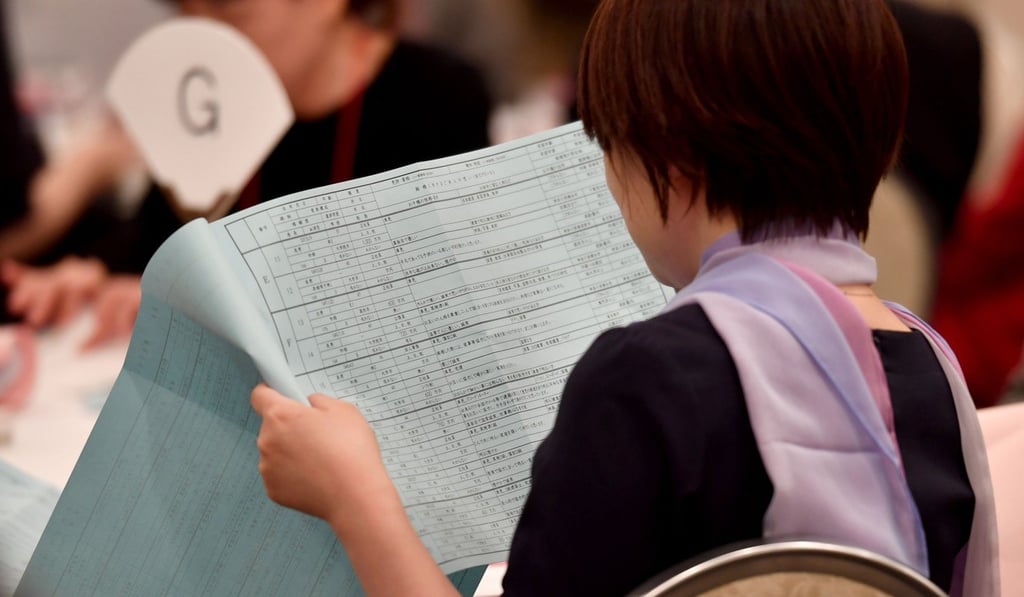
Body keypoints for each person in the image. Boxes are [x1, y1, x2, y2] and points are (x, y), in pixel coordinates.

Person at [249, 1, 998, 596]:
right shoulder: (932, 369)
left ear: (670, 155)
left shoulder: (646, 381)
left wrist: (354, 498)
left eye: (611, 147)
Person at [2, 0, 491, 345]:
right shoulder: (206, 106)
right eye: (185, 10)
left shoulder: (440, 99)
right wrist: (96, 274)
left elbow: (443, 304)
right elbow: (158, 241)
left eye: (226, 6)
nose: (202, 34)